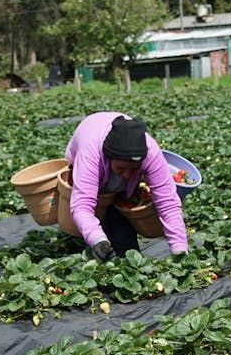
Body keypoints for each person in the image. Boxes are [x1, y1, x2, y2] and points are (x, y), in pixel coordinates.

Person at [63, 112, 188, 261]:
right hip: (88, 140)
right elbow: (82, 205)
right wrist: (97, 240)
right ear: (108, 158)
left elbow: (168, 204)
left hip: (116, 170)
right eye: (121, 168)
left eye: (134, 169)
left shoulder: (151, 153)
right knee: (97, 224)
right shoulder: (90, 153)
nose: (128, 175)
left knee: (123, 238)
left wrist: (180, 250)